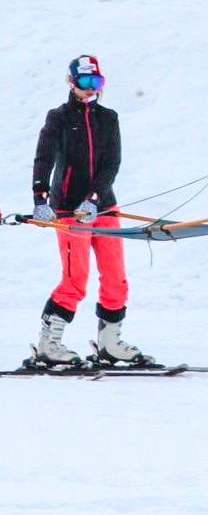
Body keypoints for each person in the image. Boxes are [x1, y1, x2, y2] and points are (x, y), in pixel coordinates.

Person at [32, 54, 148, 366]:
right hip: (68, 209)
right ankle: (49, 345)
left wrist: (95, 199)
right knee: (75, 279)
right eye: (85, 81)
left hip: (103, 208)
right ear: (71, 83)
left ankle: (110, 343)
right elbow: (44, 158)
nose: (91, 88)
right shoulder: (58, 117)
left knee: (116, 278)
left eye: (96, 81)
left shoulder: (108, 118)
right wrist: (40, 198)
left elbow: (112, 163)